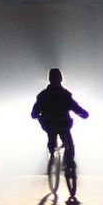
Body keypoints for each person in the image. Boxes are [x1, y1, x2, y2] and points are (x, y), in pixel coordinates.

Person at [30, 67, 90, 197]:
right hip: (62, 123)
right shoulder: (64, 94)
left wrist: (36, 115)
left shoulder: (44, 95)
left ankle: (56, 158)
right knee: (68, 143)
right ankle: (69, 163)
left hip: (51, 124)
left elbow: (34, 112)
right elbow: (75, 107)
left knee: (54, 141)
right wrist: (83, 113)